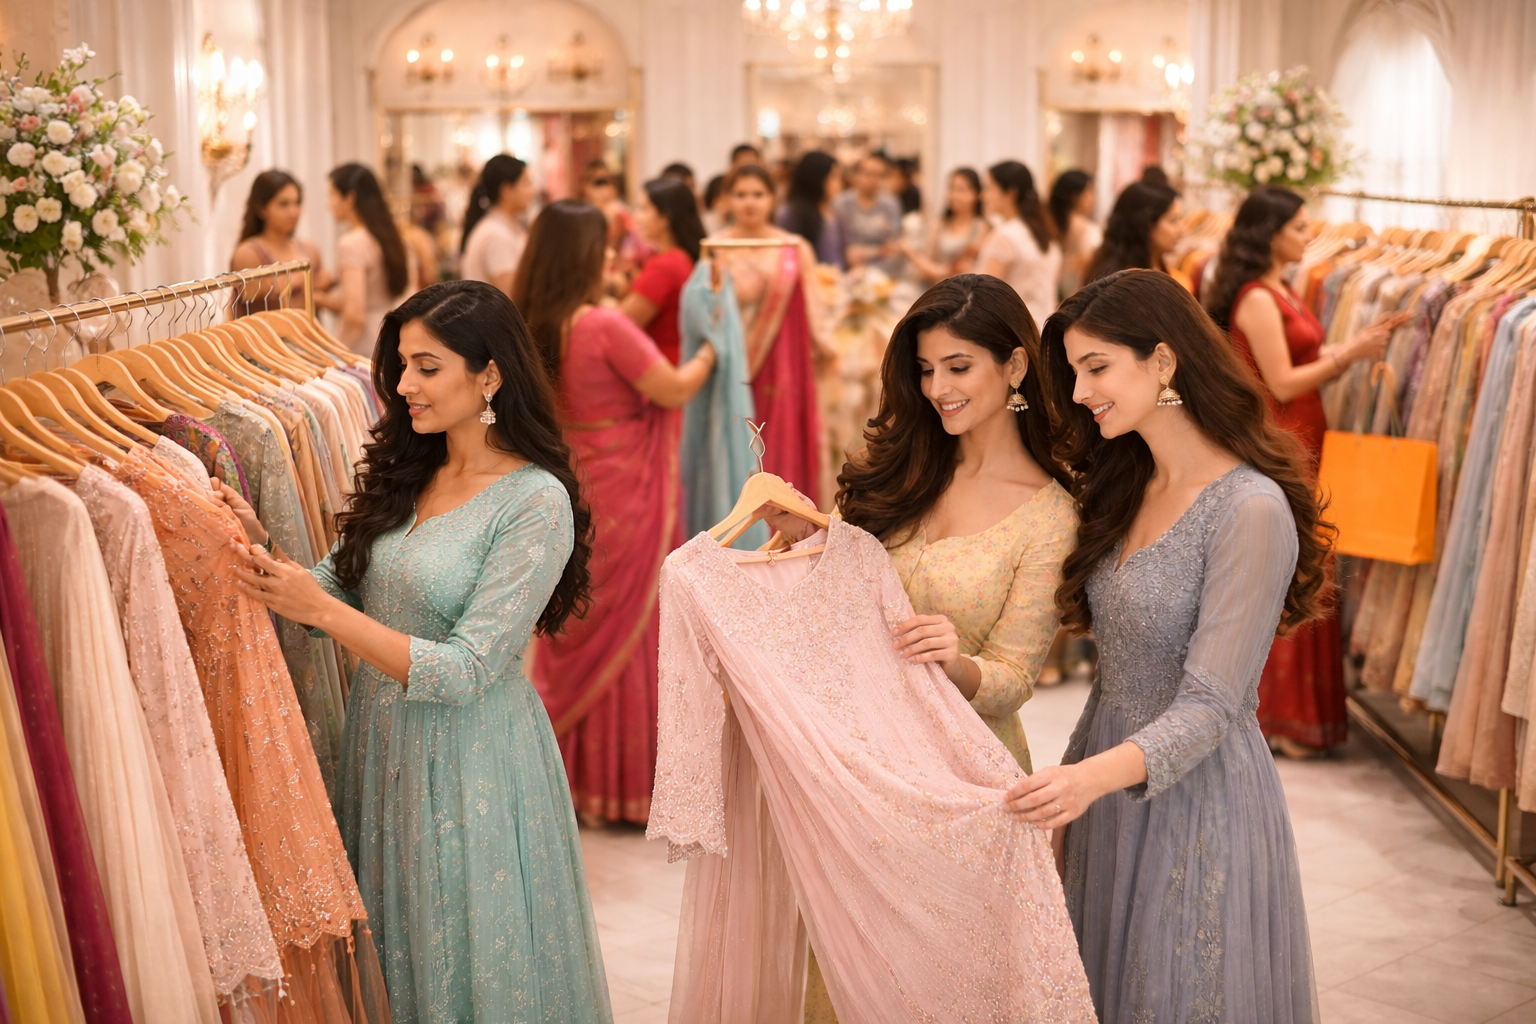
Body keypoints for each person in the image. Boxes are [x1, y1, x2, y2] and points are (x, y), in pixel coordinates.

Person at [222, 279, 614, 1022]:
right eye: (402, 365)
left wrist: (324, 614)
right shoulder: (412, 470)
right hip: (382, 747)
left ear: (489, 372)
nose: (403, 386)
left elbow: (467, 669)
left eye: (427, 367)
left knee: (464, 953)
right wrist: (255, 544)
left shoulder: (535, 501)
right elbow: (332, 589)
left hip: (473, 760)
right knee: (398, 957)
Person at [1011, 269, 1326, 1023]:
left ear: (1163, 361)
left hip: (1197, 797)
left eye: (1096, 368)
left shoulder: (1250, 509)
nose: (1081, 392)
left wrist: (1088, 780)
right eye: (1075, 373)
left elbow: (1213, 706)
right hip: (1105, 782)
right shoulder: (1125, 484)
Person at [767, 273, 1080, 1020]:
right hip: (865, 769)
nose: (937, 387)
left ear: (1013, 366)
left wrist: (957, 662)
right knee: (851, 982)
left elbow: (1013, 678)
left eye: (957, 366)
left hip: (967, 783)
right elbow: (838, 603)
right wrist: (815, 548)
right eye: (926, 368)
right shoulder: (896, 468)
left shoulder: (1051, 514)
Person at [516, 200, 718, 825]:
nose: (613, 256)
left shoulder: (522, 325)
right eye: (603, 246)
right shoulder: (602, 325)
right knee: (632, 633)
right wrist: (712, 352)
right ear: (584, 256)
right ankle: (624, 790)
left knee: (571, 622)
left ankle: (566, 782)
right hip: (622, 487)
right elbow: (673, 388)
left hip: (562, 484)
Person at [1207, 186, 1402, 758]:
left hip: (1305, 437)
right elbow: (1283, 381)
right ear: (1268, 232)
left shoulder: (1280, 290)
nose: (1306, 234)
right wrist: (1352, 352)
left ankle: (1295, 714)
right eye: (1296, 226)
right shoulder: (1257, 298)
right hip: (1284, 437)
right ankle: (1279, 716)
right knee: (1288, 567)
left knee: (1305, 563)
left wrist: (1351, 351)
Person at [708, 164, 826, 504]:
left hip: (781, 364)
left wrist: (827, 351)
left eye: (758, 194)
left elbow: (814, 308)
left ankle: (783, 526)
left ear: (773, 199)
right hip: (727, 363)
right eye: (740, 194)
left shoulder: (793, 247)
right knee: (736, 442)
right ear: (727, 200)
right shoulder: (713, 247)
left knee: (778, 443)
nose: (749, 202)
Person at [316, 163, 410, 356]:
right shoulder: (389, 237)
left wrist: (333, 355)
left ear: (349, 199)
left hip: (364, 344)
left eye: (332, 195)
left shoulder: (351, 243)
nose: (328, 203)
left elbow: (355, 315)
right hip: (390, 334)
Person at [620, 176, 707, 363]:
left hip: (664, 367)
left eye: (643, 209)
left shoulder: (667, 264)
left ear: (665, 218)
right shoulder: (679, 256)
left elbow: (622, 324)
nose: (636, 216)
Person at [230, 169, 329, 315]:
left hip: (308, 336)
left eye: (297, 203)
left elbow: (323, 288)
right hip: (266, 337)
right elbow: (246, 299)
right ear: (261, 208)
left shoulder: (309, 248)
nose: (293, 211)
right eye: (283, 204)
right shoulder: (249, 252)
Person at [977, 159, 1061, 326]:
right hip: (1045, 327)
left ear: (1010, 194)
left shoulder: (1005, 236)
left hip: (1016, 332)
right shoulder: (1044, 233)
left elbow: (984, 296)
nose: (983, 195)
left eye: (989, 188)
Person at [460, 154, 535, 298]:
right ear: (506, 190)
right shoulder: (496, 235)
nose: (532, 191)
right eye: (526, 183)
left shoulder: (504, 227)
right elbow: (511, 296)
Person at [1085, 180, 1184, 285]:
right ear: (1147, 224)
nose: (1182, 229)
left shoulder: (1172, 276)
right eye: (1173, 220)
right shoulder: (1124, 284)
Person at [902, 167, 988, 284]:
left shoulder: (981, 227)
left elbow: (955, 271)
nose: (953, 195)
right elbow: (927, 265)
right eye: (951, 188)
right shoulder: (939, 224)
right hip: (933, 286)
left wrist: (911, 253)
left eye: (961, 190)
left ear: (976, 194)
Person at [833, 152, 904, 275]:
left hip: (882, 269)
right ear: (856, 175)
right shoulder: (841, 203)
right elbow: (841, 248)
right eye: (869, 174)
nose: (874, 180)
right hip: (848, 268)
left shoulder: (891, 204)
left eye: (880, 176)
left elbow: (895, 244)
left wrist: (874, 253)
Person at [775, 150, 846, 269]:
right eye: (834, 177)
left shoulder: (834, 212)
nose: (839, 184)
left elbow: (841, 255)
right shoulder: (789, 215)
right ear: (817, 179)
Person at [1049, 169, 1101, 297]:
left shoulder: (1047, 223)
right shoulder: (1089, 229)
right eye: (1089, 192)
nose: (1093, 198)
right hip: (1077, 293)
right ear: (1075, 196)